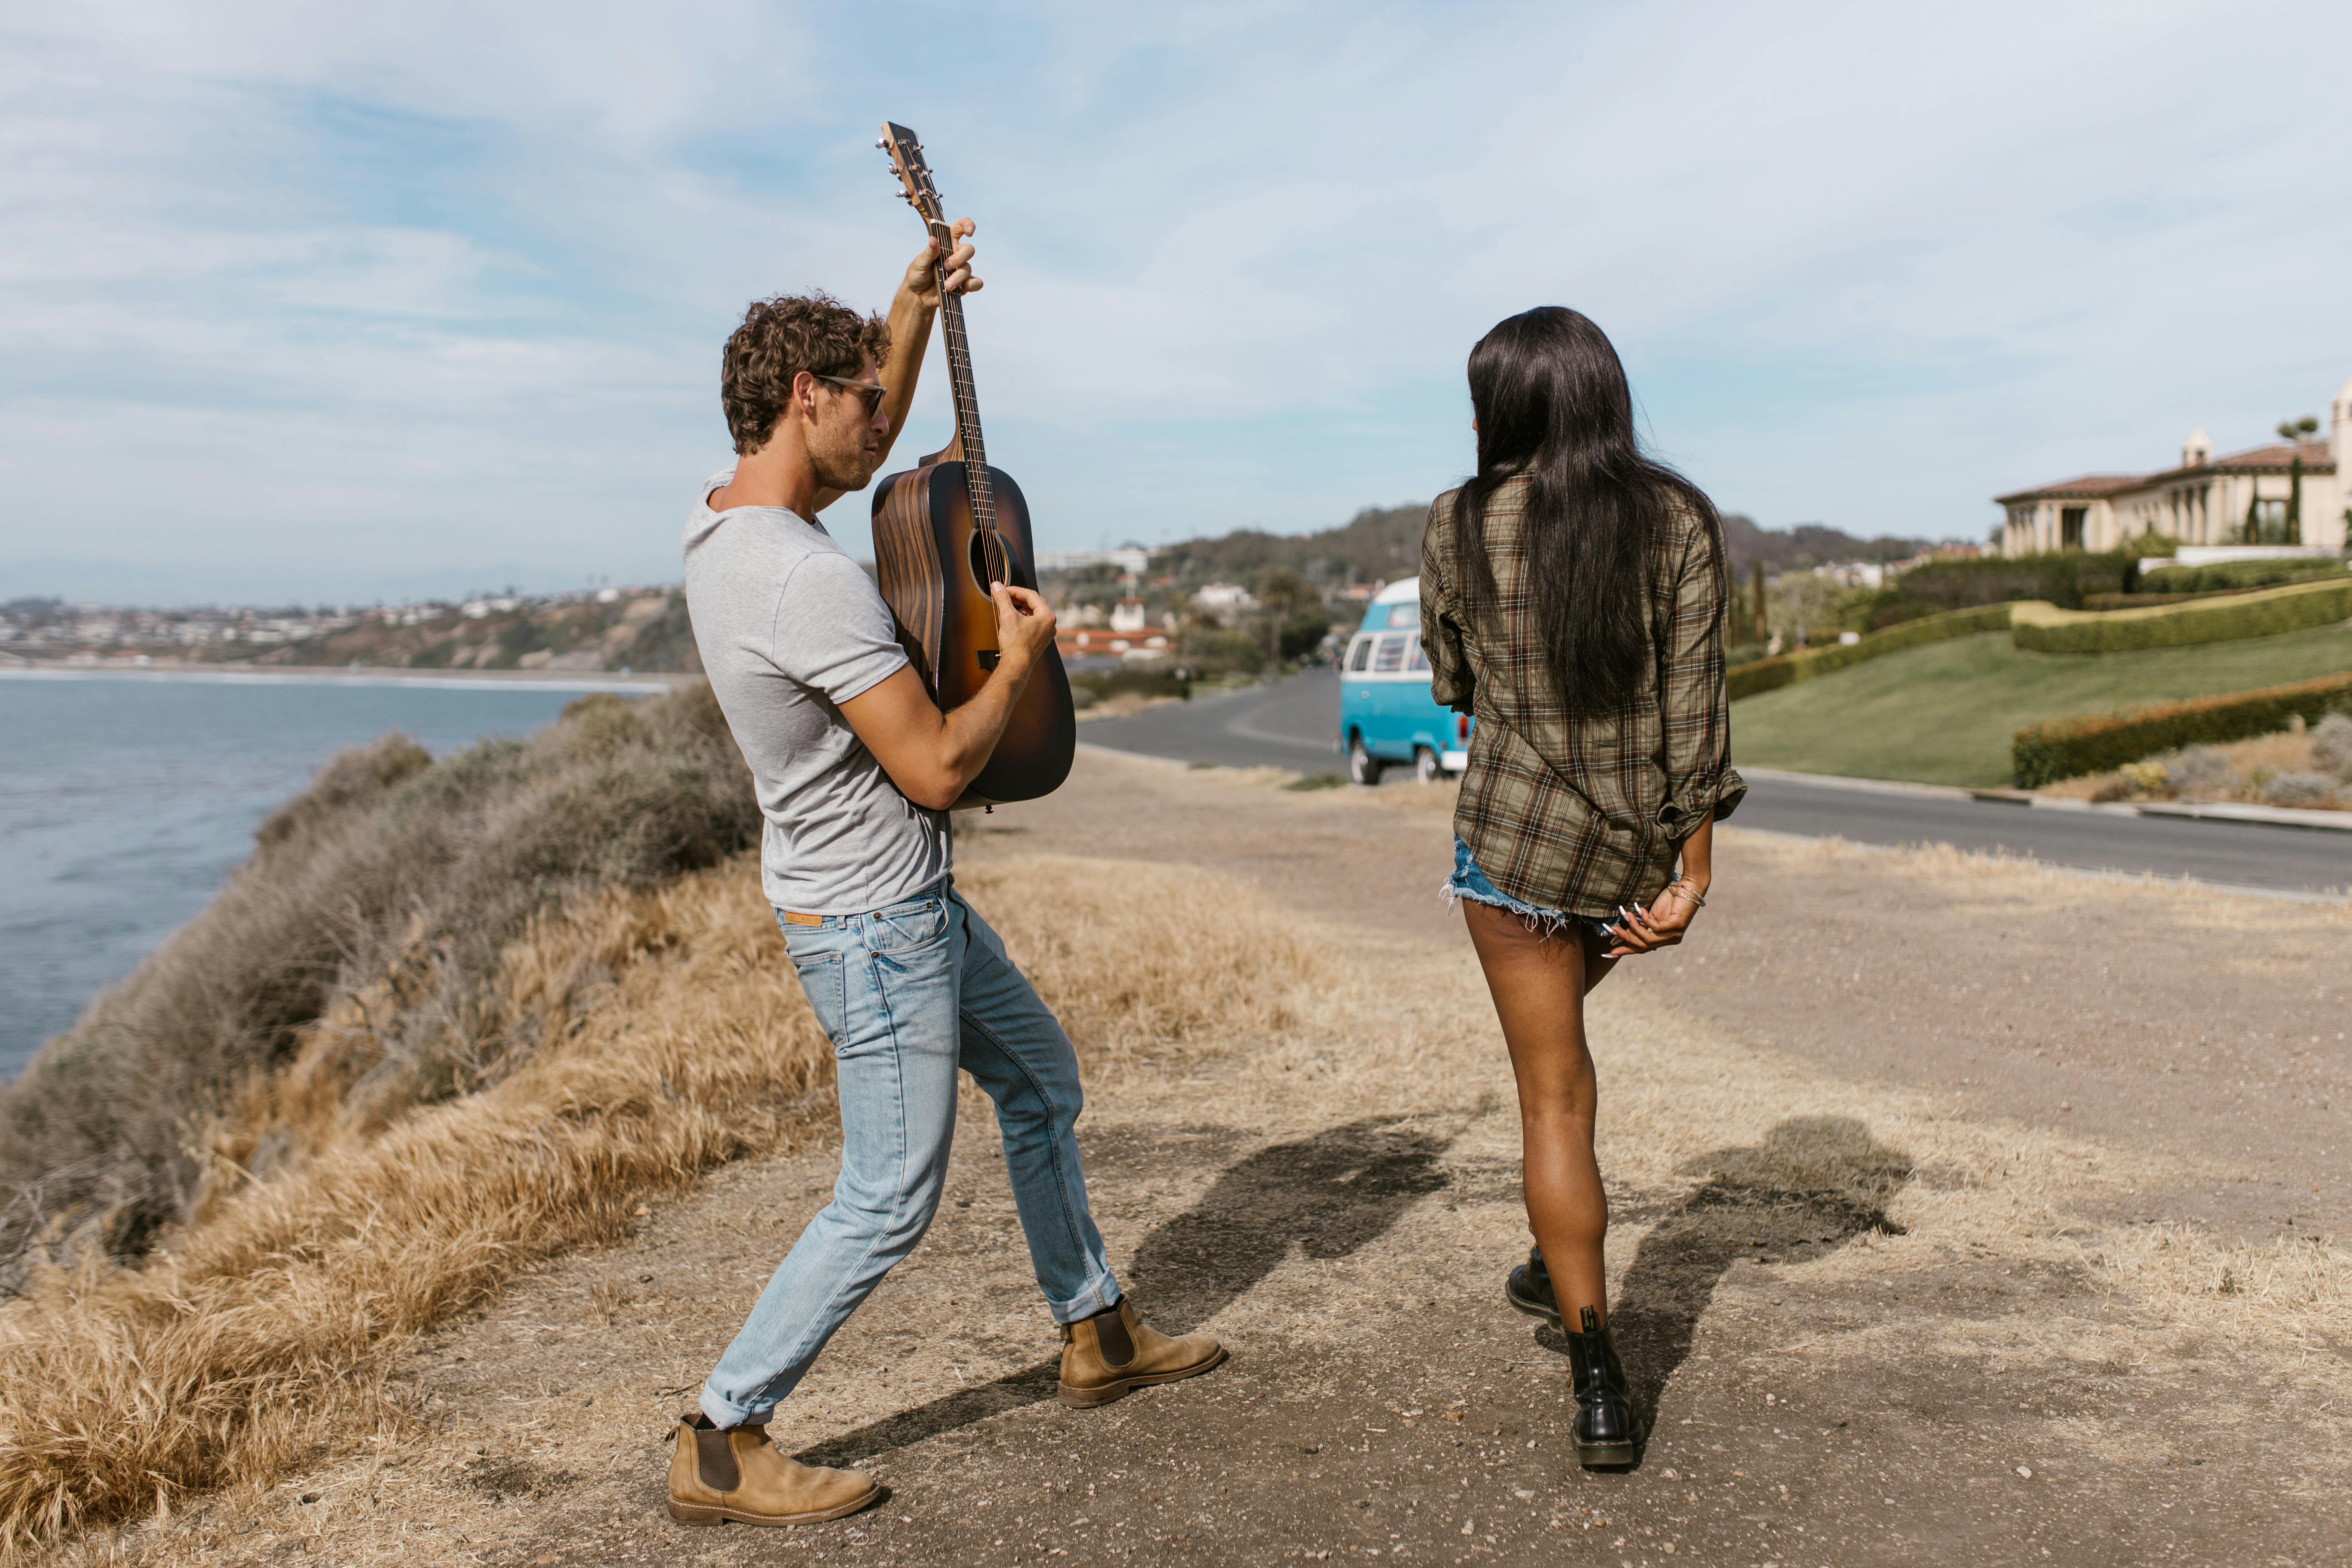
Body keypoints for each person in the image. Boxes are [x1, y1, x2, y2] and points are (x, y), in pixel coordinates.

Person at [668, 220, 1224, 1528]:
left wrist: (911, 301)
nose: (886, 426)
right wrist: (1021, 669)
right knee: (891, 1193)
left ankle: (1095, 1331)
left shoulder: (729, 520)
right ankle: (722, 1432)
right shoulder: (805, 583)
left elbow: (878, 405)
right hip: (873, 923)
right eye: (866, 404)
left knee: (1041, 1079)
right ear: (808, 401)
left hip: (889, 902)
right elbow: (933, 769)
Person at [1419, 306, 1744, 1468]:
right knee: (1558, 1075)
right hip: (1629, 862)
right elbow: (1694, 713)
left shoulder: (1460, 521)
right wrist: (1692, 867)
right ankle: (1561, 1266)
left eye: (1481, 402)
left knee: (1552, 1097)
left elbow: (1454, 681)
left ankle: (1598, 1375)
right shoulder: (1679, 522)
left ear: (1507, 411)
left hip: (1510, 849)